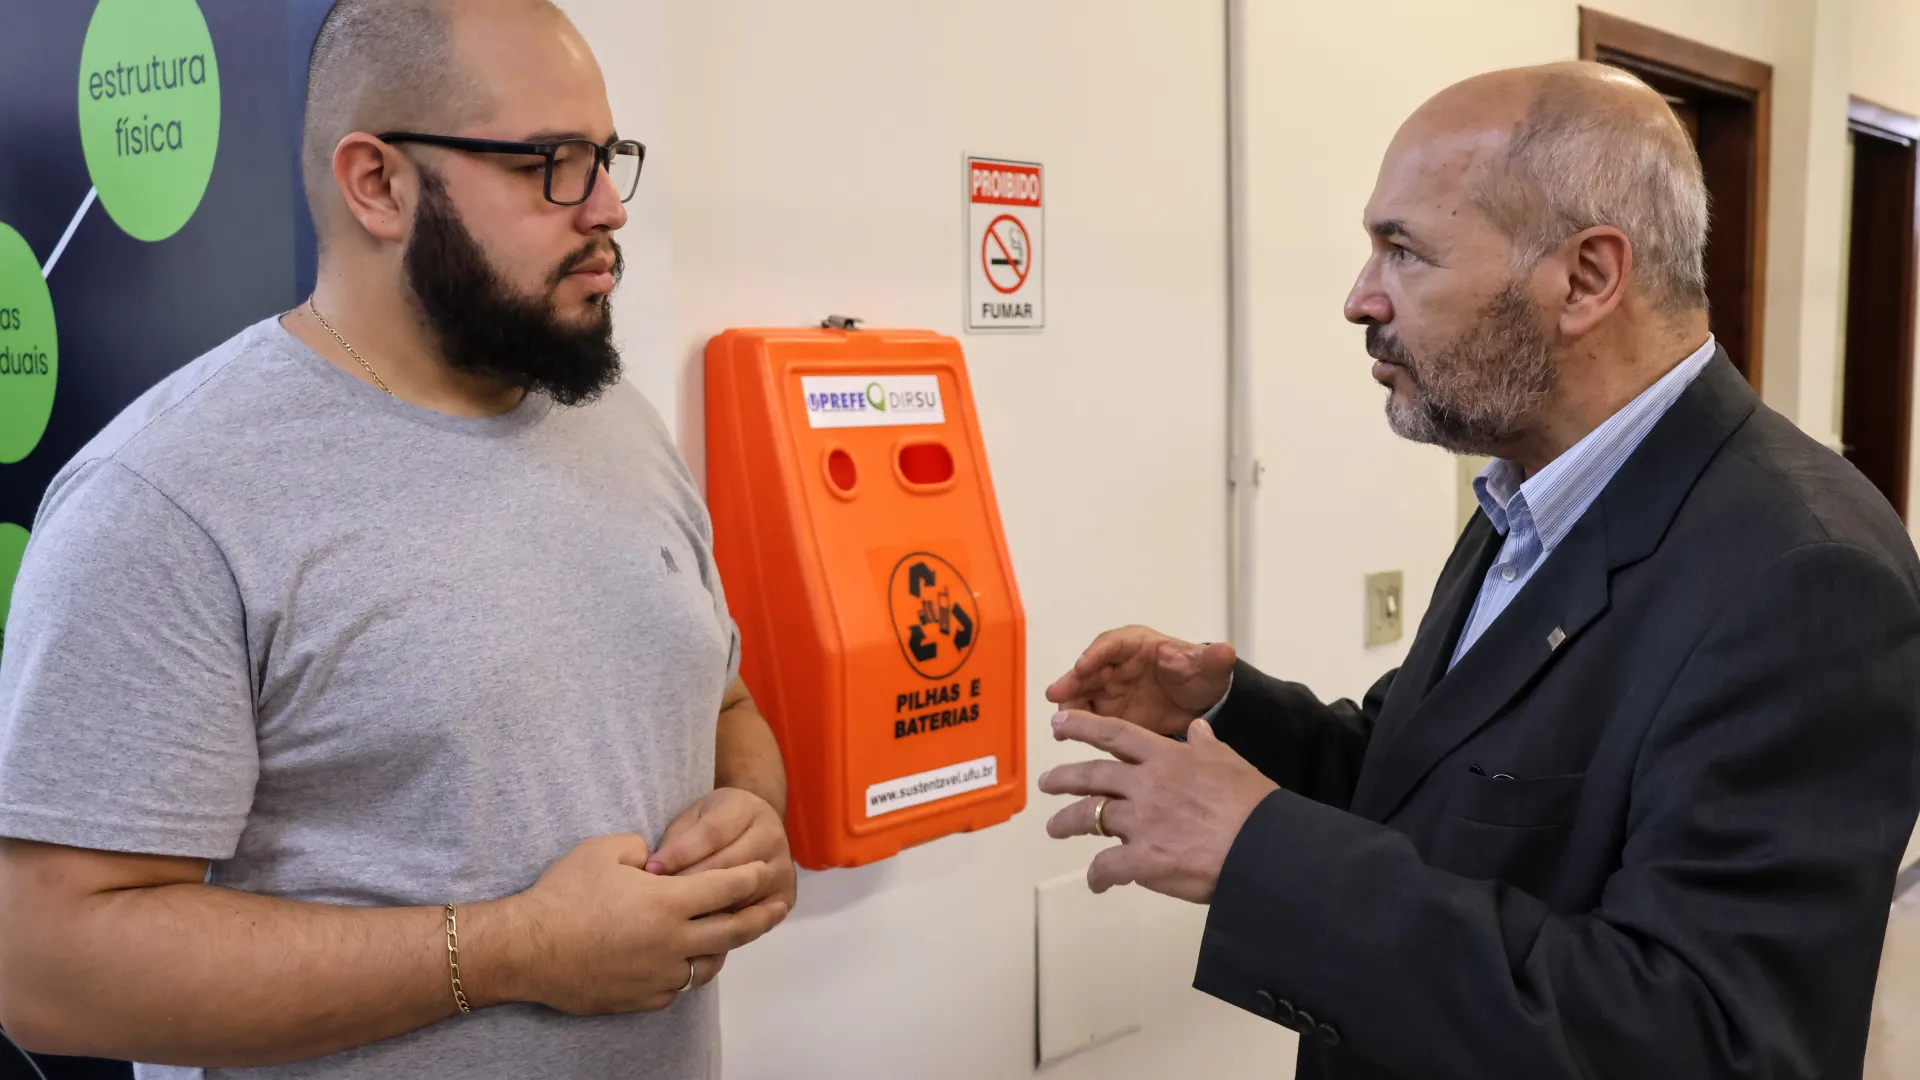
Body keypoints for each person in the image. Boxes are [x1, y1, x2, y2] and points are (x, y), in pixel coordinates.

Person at [1040, 61, 1920, 1079]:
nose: (1359, 298)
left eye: (1404, 250)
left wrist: (1261, 854)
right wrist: (1228, 714)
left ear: (1586, 279)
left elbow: (1708, 1040)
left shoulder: (1809, 577)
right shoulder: (1530, 488)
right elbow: (1431, 779)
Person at [0, 1, 793, 1077]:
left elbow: (722, 703)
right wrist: (517, 950)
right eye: (552, 165)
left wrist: (750, 811)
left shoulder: (614, 419)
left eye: (609, 159)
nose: (608, 207)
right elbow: (49, 968)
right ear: (378, 183)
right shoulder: (166, 498)